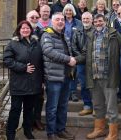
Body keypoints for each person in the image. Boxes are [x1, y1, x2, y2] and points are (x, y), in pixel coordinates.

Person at [85, 14, 121, 140]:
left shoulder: (114, 34)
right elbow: (87, 54)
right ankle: (99, 129)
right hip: (95, 77)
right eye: (95, 21)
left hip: (109, 77)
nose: (98, 23)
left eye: (100, 21)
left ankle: (113, 134)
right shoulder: (91, 35)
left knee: (111, 107)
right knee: (98, 105)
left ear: (105, 21)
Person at [3, 20, 43, 140]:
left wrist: (42, 80)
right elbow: (7, 60)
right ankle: (10, 134)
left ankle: (27, 131)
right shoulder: (13, 43)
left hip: (33, 83)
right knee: (15, 110)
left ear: (31, 30)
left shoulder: (36, 43)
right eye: (23, 28)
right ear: (19, 30)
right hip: (18, 83)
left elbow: (40, 63)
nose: (25, 30)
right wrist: (23, 67)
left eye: (27, 28)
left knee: (29, 110)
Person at [40, 12, 76, 140]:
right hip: (53, 78)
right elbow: (49, 52)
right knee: (52, 107)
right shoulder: (47, 35)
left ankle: (61, 129)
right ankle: (51, 133)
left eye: (62, 19)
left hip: (66, 76)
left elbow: (70, 52)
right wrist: (68, 59)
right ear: (52, 21)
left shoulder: (64, 36)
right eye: (57, 20)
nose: (60, 21)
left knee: (63, 106)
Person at [26, 10, 45, 131]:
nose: (34, 19)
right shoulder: (21, 31)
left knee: (39, 97)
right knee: (28, 99)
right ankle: (28, 122)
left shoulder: (41, 32)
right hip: (26, 71)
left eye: (36, 17)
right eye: (31, 17)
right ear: (27, 18)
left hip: (39, 71)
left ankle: (37, 120)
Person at [71, 12, 94, 116]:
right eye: (84, 18)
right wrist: (81, 57)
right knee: (84, 84)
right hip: (81, 62)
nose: (85, 20)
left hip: (94, 62)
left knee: (95, 85)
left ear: (92, 19)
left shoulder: (96, 30)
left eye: (88, 18)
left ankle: (97, 107)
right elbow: (73, 46)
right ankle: (87, 105)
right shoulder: (77, 30)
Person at [62, 3, 83, 102]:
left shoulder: (78, 23)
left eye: (70, 10)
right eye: (66, 10)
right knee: (66, 72)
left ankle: (73, 92)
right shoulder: (61, 21)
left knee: (75, 73)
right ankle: (66, 92)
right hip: (64, 50)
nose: (68, 12)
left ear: (73, 12)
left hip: (75, 50)